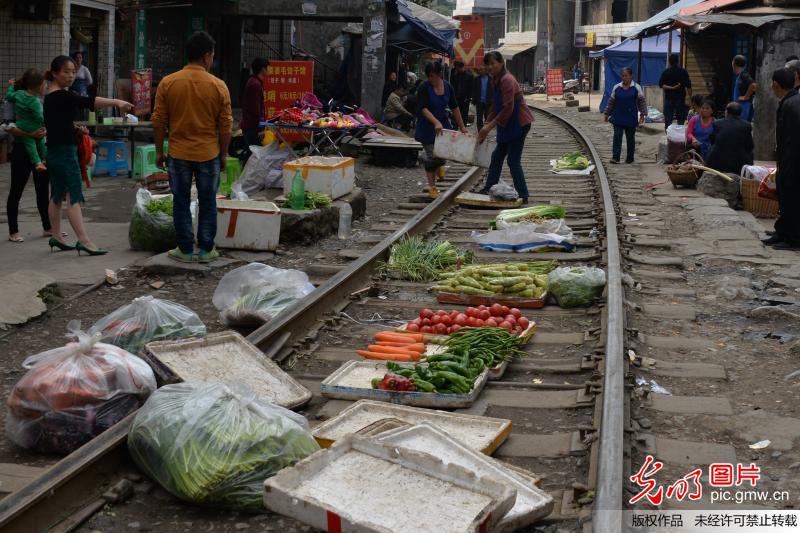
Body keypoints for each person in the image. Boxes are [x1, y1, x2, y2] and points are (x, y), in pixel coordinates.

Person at [152, 31, 233, 263]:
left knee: (181, 201)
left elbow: (158, 121)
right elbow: (225, 125)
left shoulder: (168, 83)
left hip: (178, 153)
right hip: (209, 153)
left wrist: (159, 151)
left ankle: (185, 249)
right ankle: (206, 249)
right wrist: (224, 154)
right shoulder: (218, 86)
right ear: (206, 56)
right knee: (208, 201)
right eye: (212, 56)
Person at [44, 55, 132, 255]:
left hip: (54, 151)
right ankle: (84, 241)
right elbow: (89, 101)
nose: (71, 75)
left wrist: (75, 129)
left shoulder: (50, 95)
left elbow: (57, 123)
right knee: (73, 195)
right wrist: (117, 102)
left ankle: (56, 236)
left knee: (56, 194)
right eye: (66, 72)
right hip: (65, 153)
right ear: (55, 73)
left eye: (73, 72)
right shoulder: (62, 95)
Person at [477, 51, 535, 202]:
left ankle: (523, 194)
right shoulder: (495, 80)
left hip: (519, 123)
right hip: (508, 124)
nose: (490, 67)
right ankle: (489, 187)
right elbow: (495, 106)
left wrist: (489, 127)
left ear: (501, 63)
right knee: (497, 156)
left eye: (493, 63)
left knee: (513, 160)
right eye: (488, 64)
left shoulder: (507, 80)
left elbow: (508, 108)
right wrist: (486, 123)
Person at [3, 81, 51, 243]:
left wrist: (45, 130)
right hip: (21, 150)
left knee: (43, 190)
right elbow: (7, 127)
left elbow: (44, 122)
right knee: (16, 190)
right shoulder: (11, 101)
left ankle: (48, 227)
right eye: (42, 84)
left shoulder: (38, 99)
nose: (45, 87)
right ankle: (13, 231)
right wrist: (31, 134)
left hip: (40, 148)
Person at [414, 61, 468, 199]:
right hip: (427, 127)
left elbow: (455, 107)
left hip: (443, 126)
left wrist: (462, 127)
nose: (431, 79)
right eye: (429, 76)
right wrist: (435, 122)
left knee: (443, 155)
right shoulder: (424, 87)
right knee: (431, 157)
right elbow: (423, 108)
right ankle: (432, 187)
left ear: (439, 74)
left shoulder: (448, 86)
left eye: (433, 76)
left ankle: (439, 166)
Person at [763, 68, 800, 249]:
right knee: (784, 198)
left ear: (775, 85)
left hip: (792, 162)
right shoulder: (790, 102)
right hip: (786, 160)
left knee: (791, 199)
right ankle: (782, 232)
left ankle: (793, 239)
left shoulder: (792, 105)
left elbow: (793, 141)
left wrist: (788, 166)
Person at [6, 69, 47, 173]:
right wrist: (46, 124)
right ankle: (44, 159)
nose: (46, 86)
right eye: (45, 83)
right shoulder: (35, 101)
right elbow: (40, 117)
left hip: (21, 125)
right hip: (33, 127)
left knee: (30, 144)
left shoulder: (18, 94)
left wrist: (11, 86)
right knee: (42, 142)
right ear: (40, 86)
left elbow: (9, 95)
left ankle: (38, 163)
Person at [604, 67, 647, 164]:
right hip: (618, 116)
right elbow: (611, 102)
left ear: (631, 76)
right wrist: (607, 113)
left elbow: (642, 102)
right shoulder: (617, 87)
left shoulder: (637, 88)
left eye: (626, 76)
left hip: (631, 117)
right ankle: (615, 157)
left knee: (630, 138)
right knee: (617, 137)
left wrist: (642, 115)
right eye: (622, 76)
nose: (624, 78)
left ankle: (630, 158)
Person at [705, 102, 753, 174]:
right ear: (740, 113)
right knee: (750, 153)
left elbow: (712, 140)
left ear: (726, 112)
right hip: (738, 164)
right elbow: (750, 146)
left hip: (716, 162)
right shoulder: (746, 125)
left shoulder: (717, 123)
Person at [240, 57, 268, 160]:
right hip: (252, 128)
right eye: (267, 67)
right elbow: (255, 110)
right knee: (253, 158)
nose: (268, 70)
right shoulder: (255, 85)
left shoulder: (254, 82)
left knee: (251, 157)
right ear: (263, 69)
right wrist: (260, 129)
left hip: (251, 126)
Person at [659, 53, 692, 130]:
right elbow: (688, 86)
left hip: (669, 98)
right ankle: (679, 134)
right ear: (678, 61)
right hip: (680, 98)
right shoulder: (683, 72)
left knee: (668, 119)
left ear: (669, 62)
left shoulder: (666, 72)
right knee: (680, 118)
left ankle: (668, 134)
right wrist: (690, 98)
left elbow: (661, 85)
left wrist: (671, 88)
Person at [732, 55, 757, 122]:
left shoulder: (744, 74)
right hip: (740, 107)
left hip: (744, 107)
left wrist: (746, 97)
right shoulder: (740, 76)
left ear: (733, 64)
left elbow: (753, 85)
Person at [450, 61, 473, 127]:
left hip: (465, 99)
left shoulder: (469, 76)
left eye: (458, 68)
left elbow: (471, 88)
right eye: (456, 68)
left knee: (464, 115)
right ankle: (455, 128)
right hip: (456, 98)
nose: (457, 70)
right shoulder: (455, 75)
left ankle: (463, 128)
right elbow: (452, 86)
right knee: (455, 115)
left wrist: (468, 98)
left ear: (462, 67)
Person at [471, 64, 492, 131]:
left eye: (481, 69)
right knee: (479, 118)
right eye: (479, 69)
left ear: (486, 71)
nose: (480, 71)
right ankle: (480, 131)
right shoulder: (477, 79)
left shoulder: (491, 79)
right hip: (479, 102)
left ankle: (485, 131)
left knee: (487, 118)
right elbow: (474, 89)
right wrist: (474, 99)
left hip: (488, 102)